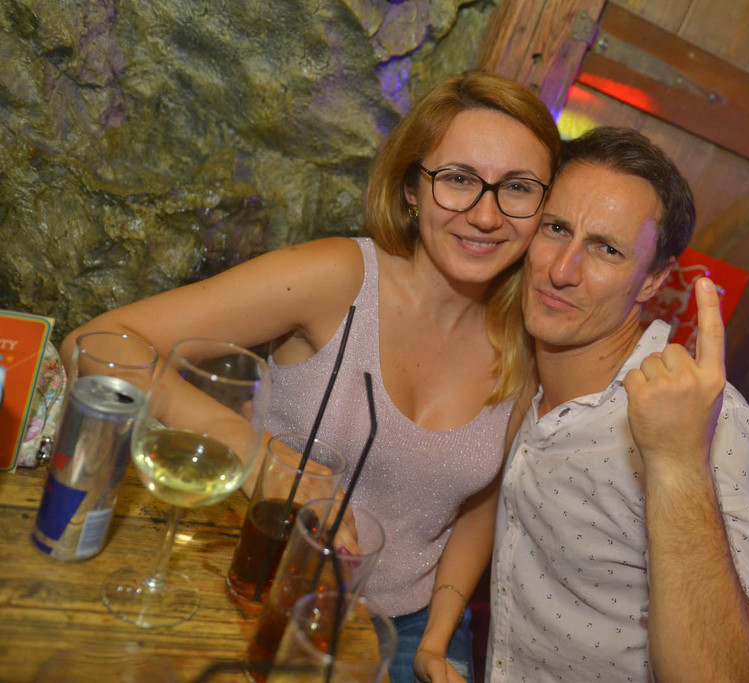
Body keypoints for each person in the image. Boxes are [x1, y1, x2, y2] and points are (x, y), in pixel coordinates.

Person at [60, 71, 562, 683]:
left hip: (408, 628)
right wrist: (261, 457)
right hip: (261, 581)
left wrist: (436, 640)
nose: (485, 215)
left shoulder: (531, 343)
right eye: (457, 179)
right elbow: (95, 343)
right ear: (410, 187)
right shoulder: (338, 278)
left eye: (517, 188)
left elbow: (478, 509)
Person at [486, 127, 749, 682]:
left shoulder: (710, 422)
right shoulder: (520, 366)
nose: (562, 271)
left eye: (608, 250)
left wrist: (679, 464)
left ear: (653, 280)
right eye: (556, 228)